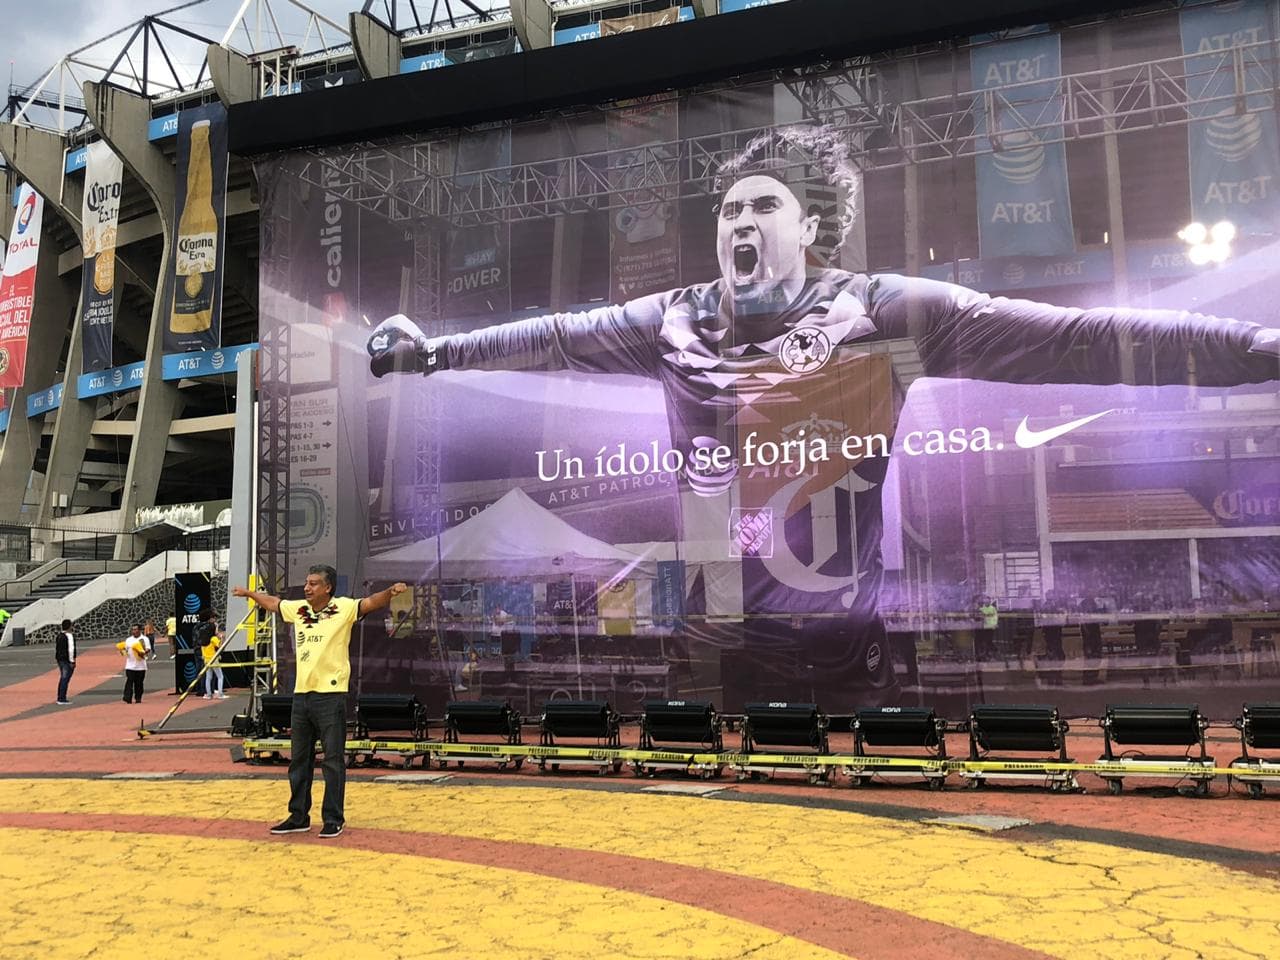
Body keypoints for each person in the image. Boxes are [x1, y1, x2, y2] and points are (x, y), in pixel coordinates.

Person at [366, 123, 1280, 707]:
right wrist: (437, 351)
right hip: (715, 645)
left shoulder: (885, 316)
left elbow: (1081, 340)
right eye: (728, 211)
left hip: (844, 645)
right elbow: (554, 337)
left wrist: (1257, 350)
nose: (739, 225)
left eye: (764, 206)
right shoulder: (673, 323)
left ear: (810, 229)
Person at [233, 567, 408, 839]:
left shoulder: (344, 608)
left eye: (313, 584)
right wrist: (250, 594)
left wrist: (390, 592)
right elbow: (274, 604)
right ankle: (298, 816)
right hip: (302, 695)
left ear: (328, 588)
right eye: (306, 582)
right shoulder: (299, 609)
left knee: (333, 760)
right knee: (299, 761)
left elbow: (371, 602)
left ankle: (333, 819)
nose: (307, 588)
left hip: (331, 695)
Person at [117, 623, 149, 704]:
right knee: (129, 681)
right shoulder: (128, 640)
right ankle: (127, 697)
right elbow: (125, 651)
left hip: (141, 666)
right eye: (133, 630)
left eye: (135, 629)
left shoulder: (144, 639)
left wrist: (142, 652)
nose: (134, 631)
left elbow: (148, 649)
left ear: (139, 630)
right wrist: (122, 650)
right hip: (130, 665)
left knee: (139, 683)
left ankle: (138, 698)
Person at [198, 611, 226, 699]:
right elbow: (220, 646)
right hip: (214, 659)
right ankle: (220, 693)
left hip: (206, 659)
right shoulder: (213, 639)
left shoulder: (203, 640)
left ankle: (209, 694)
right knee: (220, 676)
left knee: (208, 677)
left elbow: (202, 651)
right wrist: (222, 638)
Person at [54, 618, 76, 704]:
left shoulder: (59, 636)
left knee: (63, 678)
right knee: (65, 678)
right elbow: (71, 649)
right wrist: (72, 661)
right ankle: (62, 698)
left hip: (60, 659)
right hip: (66, 659)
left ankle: (60, 696)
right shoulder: (69, 636)